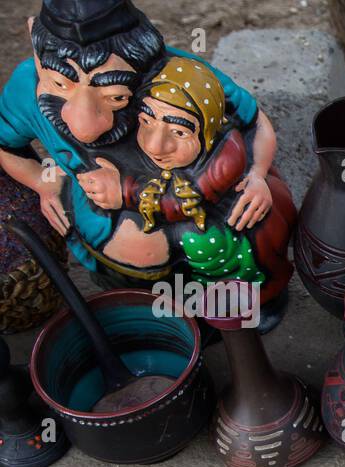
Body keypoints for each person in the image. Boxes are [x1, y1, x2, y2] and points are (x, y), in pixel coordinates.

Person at [0, 0, 275, 278]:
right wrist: (43, 182)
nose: (84, 128)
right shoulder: (27, 88)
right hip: (107, 240)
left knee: (244, 236)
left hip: (207, 218)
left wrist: (257, 173)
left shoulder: (179, 76)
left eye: (115, 96)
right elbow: (6, 145)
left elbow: (253, 120)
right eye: (60, 85)